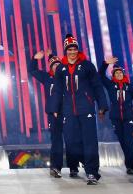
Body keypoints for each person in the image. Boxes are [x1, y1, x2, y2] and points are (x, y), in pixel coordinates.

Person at [52, 35, 108, 185]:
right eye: (69, 49)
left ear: (78, 50)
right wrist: (55, 108)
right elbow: (57, 90)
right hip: (68, 111)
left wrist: (102, 105)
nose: (72, 52)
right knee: (71, 142)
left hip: (86, 109)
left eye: (74, 49)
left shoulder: (87, 66)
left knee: (90, 141)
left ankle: (92, 173)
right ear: (65, 51)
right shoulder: (60, 69)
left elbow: (97, 86)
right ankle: (80, 163)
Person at [30, 50, 71, 178]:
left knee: (72, 140)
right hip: (53, 116)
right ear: (50, 67)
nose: (56, 67)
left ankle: (74, 167)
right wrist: (34, 59)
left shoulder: (67, 77)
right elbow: (33, 71)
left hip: (68, 113)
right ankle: (55, 168)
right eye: (53, 65)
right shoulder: (47, 77)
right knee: (56, 141)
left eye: (58, 65)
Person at [99, 56, 133, 174]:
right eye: (117, 73)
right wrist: (105, 63)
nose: (119, 74)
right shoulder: (110, 86)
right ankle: (130, 164)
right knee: (123, 141)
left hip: (128, 118)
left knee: (129, 141)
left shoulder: (130, 86)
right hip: (116, 118)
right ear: (113, 75)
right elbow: (100, 74)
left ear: (123, 74)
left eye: (121, 72)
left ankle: (131, 166)